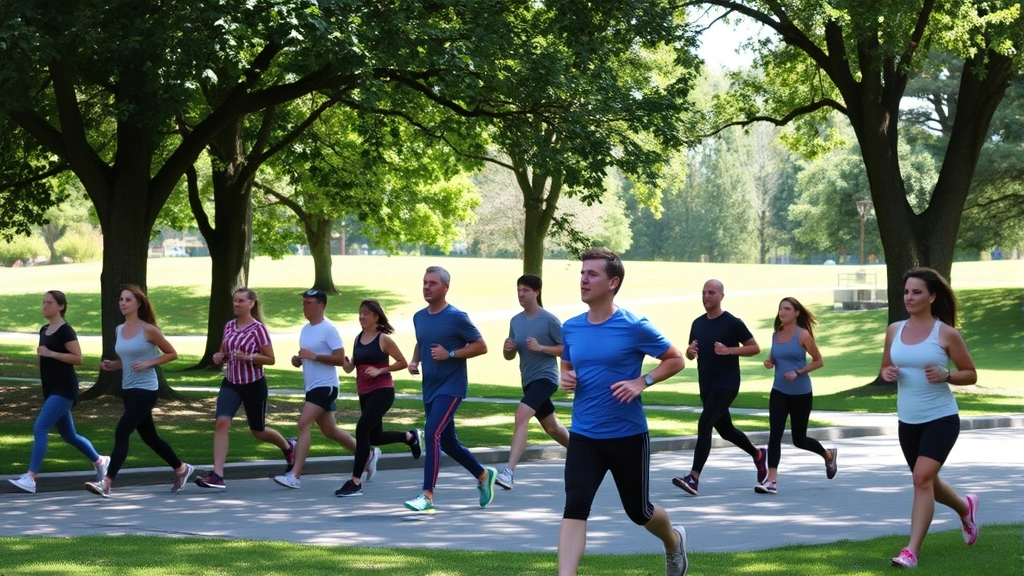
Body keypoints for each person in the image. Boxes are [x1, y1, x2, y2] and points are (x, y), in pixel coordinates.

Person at [558, 248, 688, 576]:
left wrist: (641, 381)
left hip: (627, 436)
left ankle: (673, 542)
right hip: (585, 434)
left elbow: (675, 359)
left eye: (592, 274)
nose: (584, 279)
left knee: (638, 511)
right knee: (575, 505)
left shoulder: (634, 326)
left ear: (613, 282)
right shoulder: (571, 327)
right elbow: (569, 360)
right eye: (582, 273)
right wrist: (566, 376)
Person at [882, 268, 979, 569]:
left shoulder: (946, 333)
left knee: (921, 478)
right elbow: (886, 367)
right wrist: (887, 373)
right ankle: (965, 508)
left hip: (941, 418)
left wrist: (947, 374)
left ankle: (910, 551)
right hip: (907, 421)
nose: (909, 297)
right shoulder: (894, 330)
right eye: (907, 292)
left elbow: (971, 374)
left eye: (917, 292)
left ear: (932, 296)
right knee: (927, 480)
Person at [84, 285, 193, 498]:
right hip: (129, 389)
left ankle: (106, 482)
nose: (122, 303)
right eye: (121, 299)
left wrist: (150, 362)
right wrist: (113, 365)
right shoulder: (119, 329)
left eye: (128, 300)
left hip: (146, 389)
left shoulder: (149, 329)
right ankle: (181, 468)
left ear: (139, 304)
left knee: (122, 431)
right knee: (150, 437)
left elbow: (172, 353)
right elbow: (126, 360)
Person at [403, 266, 496, 513]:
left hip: (452, 387)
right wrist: (415, 360)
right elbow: (421, 341)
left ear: (445, 288)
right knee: (448, 442)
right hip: (430, 387)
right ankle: (483, 474)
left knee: (431, 434)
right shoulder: (419, 317)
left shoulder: (457, 316)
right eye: (424, 282)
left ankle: (427, 495)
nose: (426, 287)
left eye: (432, 283)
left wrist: (450, 354)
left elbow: (481, 346)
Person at [194, 288, 297, 489]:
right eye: (235, 301)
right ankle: (217, 475)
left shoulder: (259, 329)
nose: (236, 304)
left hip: (254, 385)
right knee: (221, 423)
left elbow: (271, 359)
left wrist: (248, 357)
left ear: (251, 303)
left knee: (257, 430)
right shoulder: (229, 326)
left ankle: (288, 446)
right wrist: (219, 356)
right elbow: (224, 350)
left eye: (241, 301)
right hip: (231, 383)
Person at [672, 279, 766, 496]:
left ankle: (693, 478)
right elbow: (691, 354)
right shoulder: (697, 323)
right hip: (706, 384)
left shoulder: (732, 322)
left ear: (721, 296)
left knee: (705, 423)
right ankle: (758, 454)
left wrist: (729, 350)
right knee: (726, 430)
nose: (706, 297)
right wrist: (689, 351)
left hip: (727, 384)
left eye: (711, 293)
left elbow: (755, 348)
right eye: (704, 293)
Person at [8, 291, 109, 494]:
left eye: (49, 303)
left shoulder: (66, 331)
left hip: (64, 389)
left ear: (61, 306)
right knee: (69, 435)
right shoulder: (44, 329)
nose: (44, 306)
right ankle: (100, 460)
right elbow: (43, 357)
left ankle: (31, 477)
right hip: (51, 388)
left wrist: (51, 353)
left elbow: (78, 358)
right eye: (43, 302)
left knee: (40, 427)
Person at [273, 289, 367, 489]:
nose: (304, 306)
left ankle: (295, 476)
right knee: (330, 431)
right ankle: (367, 454)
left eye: (308, 303)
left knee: (303, 424)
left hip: (325, 386)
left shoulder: (328, 329)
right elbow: (308, 355)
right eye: (303, 302)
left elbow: (340, 358)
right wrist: (298, 359)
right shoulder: (306, 329)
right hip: (312, 385)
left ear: (321, 305)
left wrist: (314, 356)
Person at [336, 299, 421, 497]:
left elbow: (402, 362)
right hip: (364, 393)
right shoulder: (358, 339)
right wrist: (347, 364)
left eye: (366, 313)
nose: (362, 317)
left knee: (362, 430)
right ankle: (410, 437)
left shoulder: (383, 339)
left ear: (376, 317)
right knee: (374, 436)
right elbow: (353, 366)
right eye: (360, 313)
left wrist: (381, 370)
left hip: (382, 391)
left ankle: (355, 482)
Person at [496, 274, 569, 490]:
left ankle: (509, 471)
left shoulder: (549, 320)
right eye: (518, 289)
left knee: (521, 415)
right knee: (552, 428)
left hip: (546, 378)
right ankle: (585, 455)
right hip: (528, 380)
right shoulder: (515, 321)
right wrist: (507, 349)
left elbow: (568, 349)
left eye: (525, 290)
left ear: (536, 292)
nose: (520, 294)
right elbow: (509, 356)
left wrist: (542, 348)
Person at [759, 297, 836, 494]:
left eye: (787, 309)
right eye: (780, 309)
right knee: (774, 433)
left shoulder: (803, 336)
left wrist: (798, 372)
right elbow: (776, 356)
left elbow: (818, 361)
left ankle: (827, 454)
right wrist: (770, 361)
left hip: (801, 393)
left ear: (796, 313)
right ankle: (772, 480)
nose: (782, 313)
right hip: (779, 391)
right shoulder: (776, 335)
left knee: (799, 439)